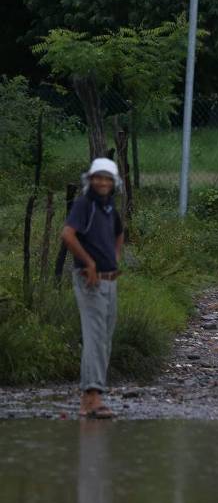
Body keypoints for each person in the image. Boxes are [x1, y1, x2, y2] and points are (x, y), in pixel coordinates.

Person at [61, 158, 125, 419]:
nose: (102, 182)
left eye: (107, 178)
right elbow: (67, 234)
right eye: (98, 177)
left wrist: (115, 259)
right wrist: (88, 262)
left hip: (110, 280)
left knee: (104, 338)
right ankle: (92, 396)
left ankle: (90, 399)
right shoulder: (84, 204)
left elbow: (120, 232)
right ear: (90, 179)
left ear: (113, 183)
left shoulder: (109, 207)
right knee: (95, 337)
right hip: (91, 280)